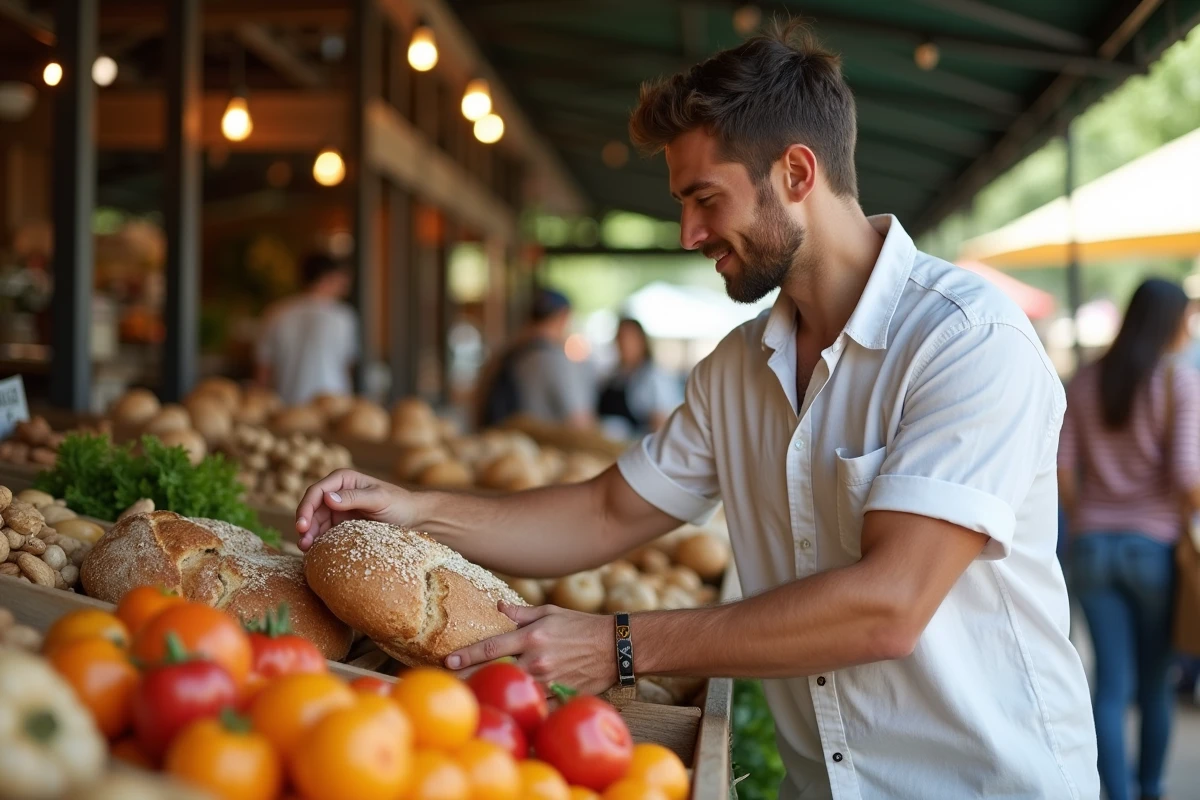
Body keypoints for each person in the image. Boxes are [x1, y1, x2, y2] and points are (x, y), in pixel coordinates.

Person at [295, 22, 1098, 800]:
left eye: (705, 199)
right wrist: (417, 510)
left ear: (796, 173)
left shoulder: (965, 341)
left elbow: (888, 606)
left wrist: (616, 645)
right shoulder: (736, 370)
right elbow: (606, 512)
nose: (688, 232)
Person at [1058, 278, 1200, 800]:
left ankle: (1114, 793)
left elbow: (1063, 471)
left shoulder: (1087, 381)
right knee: (1155, 683)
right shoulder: (1177, 383)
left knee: (1110, 688)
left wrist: (1093, 517)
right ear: (1170, 321)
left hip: (1092, 548)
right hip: (1155, 551)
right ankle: (1150, 789)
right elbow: (1188, 476)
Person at [477, 287, 595, 430]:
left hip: (504, 441)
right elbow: (579, 422)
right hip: (547, 448)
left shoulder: (504, 356)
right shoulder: (557, 361)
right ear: (564, 316)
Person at [255, 252, 358, 407]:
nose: (344, 285)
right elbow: (346, 366)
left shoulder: (276, 312)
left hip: (286, 403)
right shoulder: (343, 317)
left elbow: (263, 370)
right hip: (333, 405)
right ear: (327, 277)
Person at [597, 317, 681, 438]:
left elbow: (661, 423)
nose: (624, 344)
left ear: (641, 341)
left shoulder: (655, 377)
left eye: (629, 339)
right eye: (620, 338)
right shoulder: (613, 376)